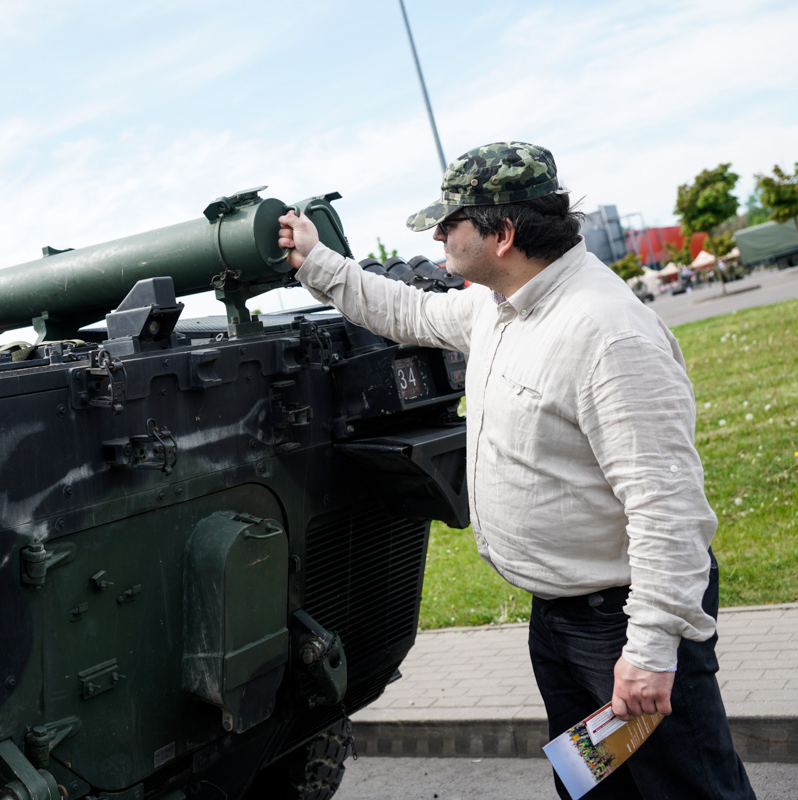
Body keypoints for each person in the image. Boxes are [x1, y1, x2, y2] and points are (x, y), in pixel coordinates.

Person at [278, 141, 754, 800]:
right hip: (560, 621)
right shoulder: (500, 305)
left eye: (451, 222)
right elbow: (405, 311)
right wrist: (316, 259)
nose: (438, 234)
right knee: (591, 788)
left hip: (619, 622)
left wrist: (647, 653)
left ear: (501, 233)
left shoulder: (604, 331)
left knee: (689, 789)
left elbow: (666, 509)